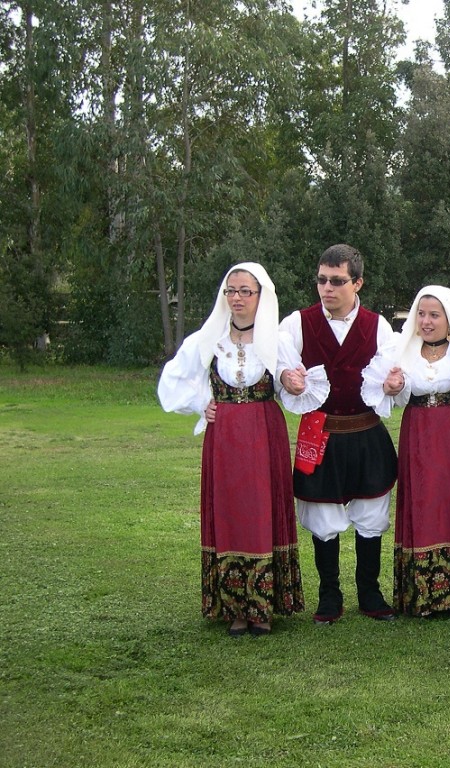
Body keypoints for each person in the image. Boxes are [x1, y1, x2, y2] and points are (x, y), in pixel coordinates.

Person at [158, 263, 304, 637]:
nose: (237, 298)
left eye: (245, 291)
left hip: (264, 433)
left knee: (261, 509)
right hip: (224, 437)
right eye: (231, 291)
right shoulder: (210, 339)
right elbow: (174, 379)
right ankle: (235, 606)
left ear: (260, 296)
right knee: (230, 509)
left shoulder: (276, 340)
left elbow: (292, 385)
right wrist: (200, 403)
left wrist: (292, 381)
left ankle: (263, 605)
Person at [278, 244, 399, 623]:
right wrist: (287, 379)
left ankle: (370, 592)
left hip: (366, 433)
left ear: (357, 283)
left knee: (371, 514)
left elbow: (394, 375)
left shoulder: (378, 327)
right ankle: (329, 596)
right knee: (323, 517)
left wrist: (394, 385)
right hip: (320, 435)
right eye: (321, 280)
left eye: (337, 281)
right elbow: (279, 366)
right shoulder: (296, 324)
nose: (327, 288)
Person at [363, 286, 450, 617]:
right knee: (425, 501)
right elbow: (383, 391)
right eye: (421, 314)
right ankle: (424, 595)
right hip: (419, 434)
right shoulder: (402, 351)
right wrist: (390, 387)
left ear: (449, 319)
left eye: (434, 315)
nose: (426, 321)